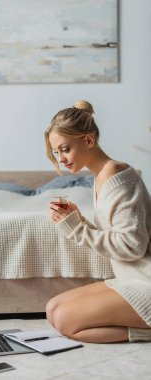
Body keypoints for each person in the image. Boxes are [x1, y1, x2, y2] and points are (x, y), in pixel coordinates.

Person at [45, 100, 151, 343]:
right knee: (52, 309)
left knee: (64, 320)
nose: (61, 158)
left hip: (145, 279)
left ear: (89, 140)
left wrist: (76, 228)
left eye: (65, 149)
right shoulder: (102, 175)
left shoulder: (118, 176)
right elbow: (116, 235)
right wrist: (79, 220)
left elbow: (133, 246)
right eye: (56, 152)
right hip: (131, 276)